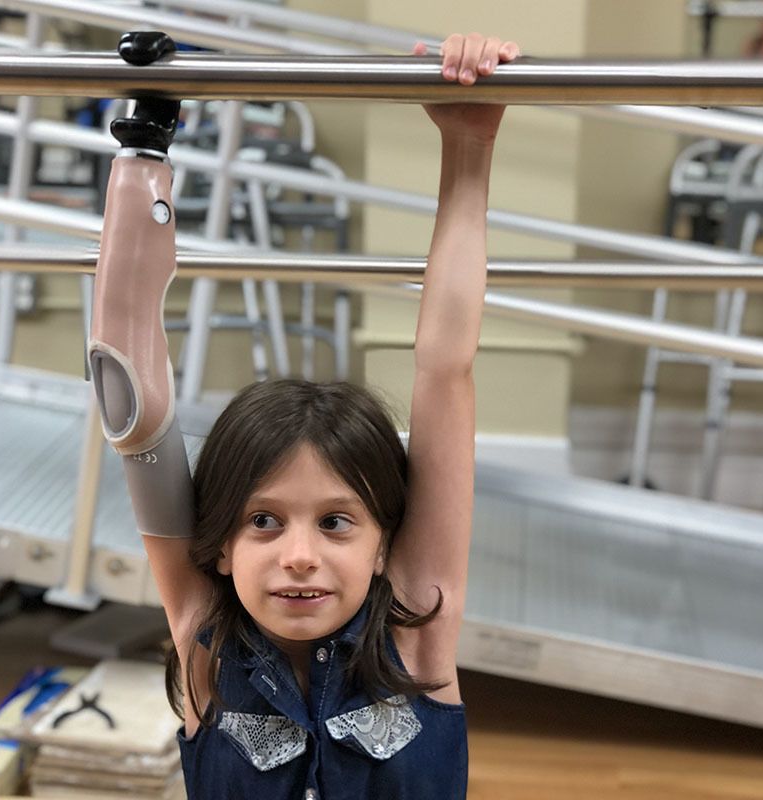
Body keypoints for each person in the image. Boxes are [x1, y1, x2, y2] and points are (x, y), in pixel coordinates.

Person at [89, 31, 520, 800]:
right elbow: (129, 395)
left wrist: (468, 145)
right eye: (263, 522)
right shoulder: (203, 644)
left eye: (335, 522)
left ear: (386, 545)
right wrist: (146, 136)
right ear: (218, 546)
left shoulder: (416, 637)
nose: (297, 556)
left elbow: (444, 366)